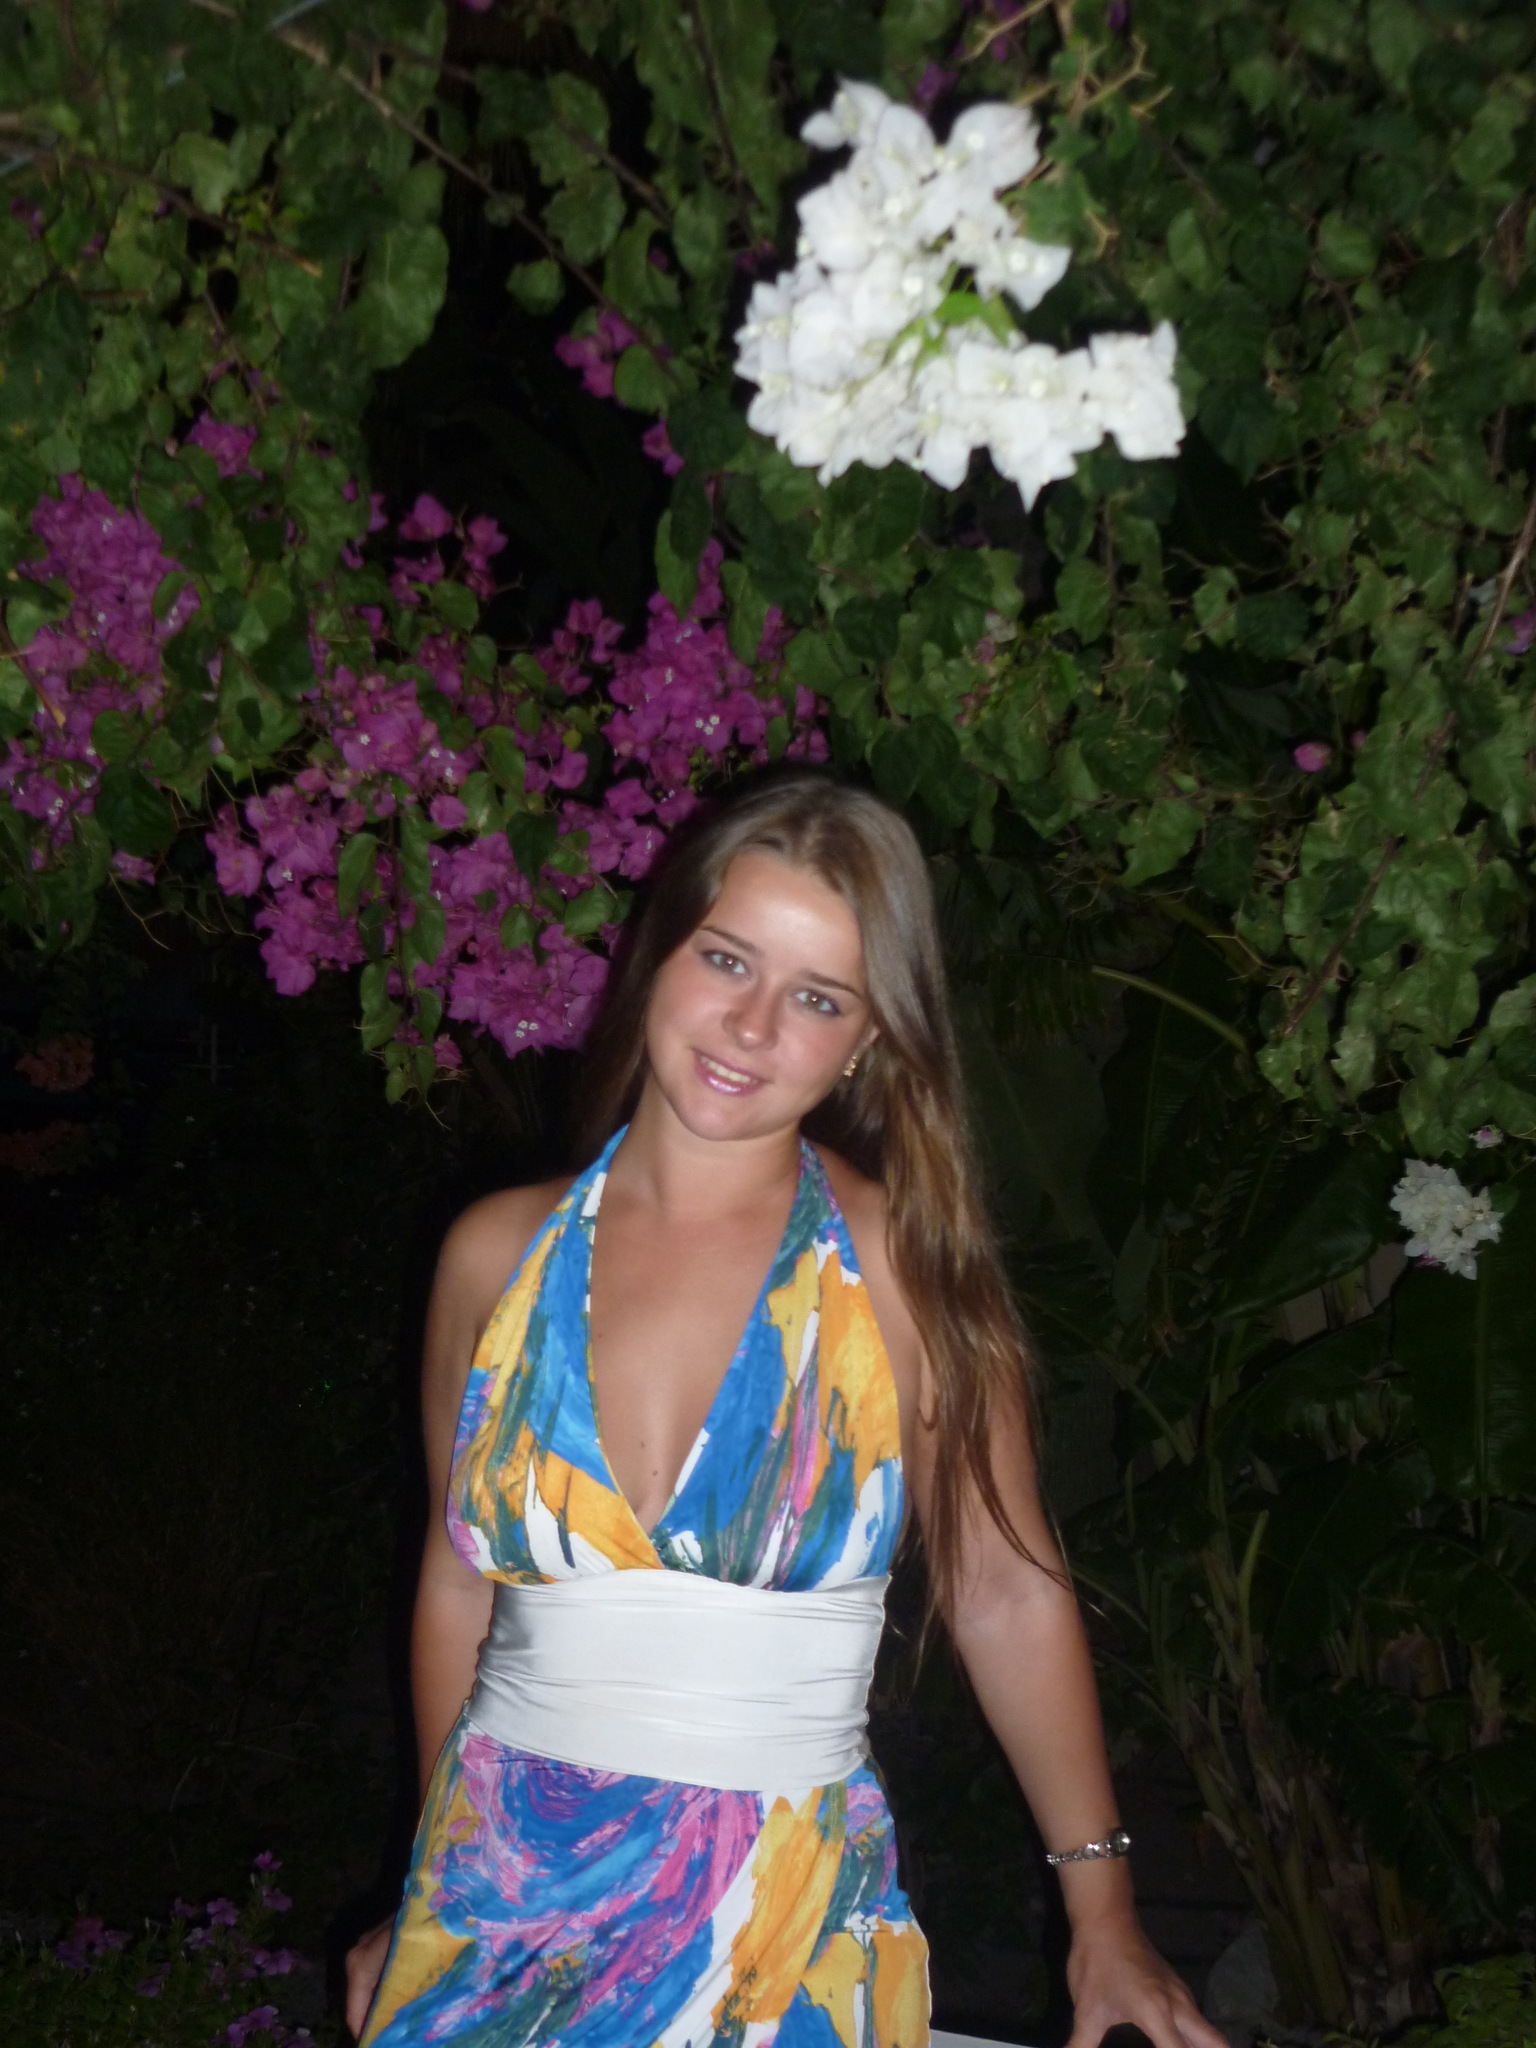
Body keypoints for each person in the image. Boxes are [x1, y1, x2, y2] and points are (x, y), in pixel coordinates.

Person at [345, 774, 1224, 2048]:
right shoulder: (495, 1252)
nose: (751, 1025)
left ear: (868, 1039)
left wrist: (1104, 1913)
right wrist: (427, 1883)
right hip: (496, 1918)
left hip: (778, 1928)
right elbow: (455, 1582)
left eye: (817, 997)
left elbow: (1003, 1588)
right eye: (727, 959)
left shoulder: (903, 1271)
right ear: (657, 954)